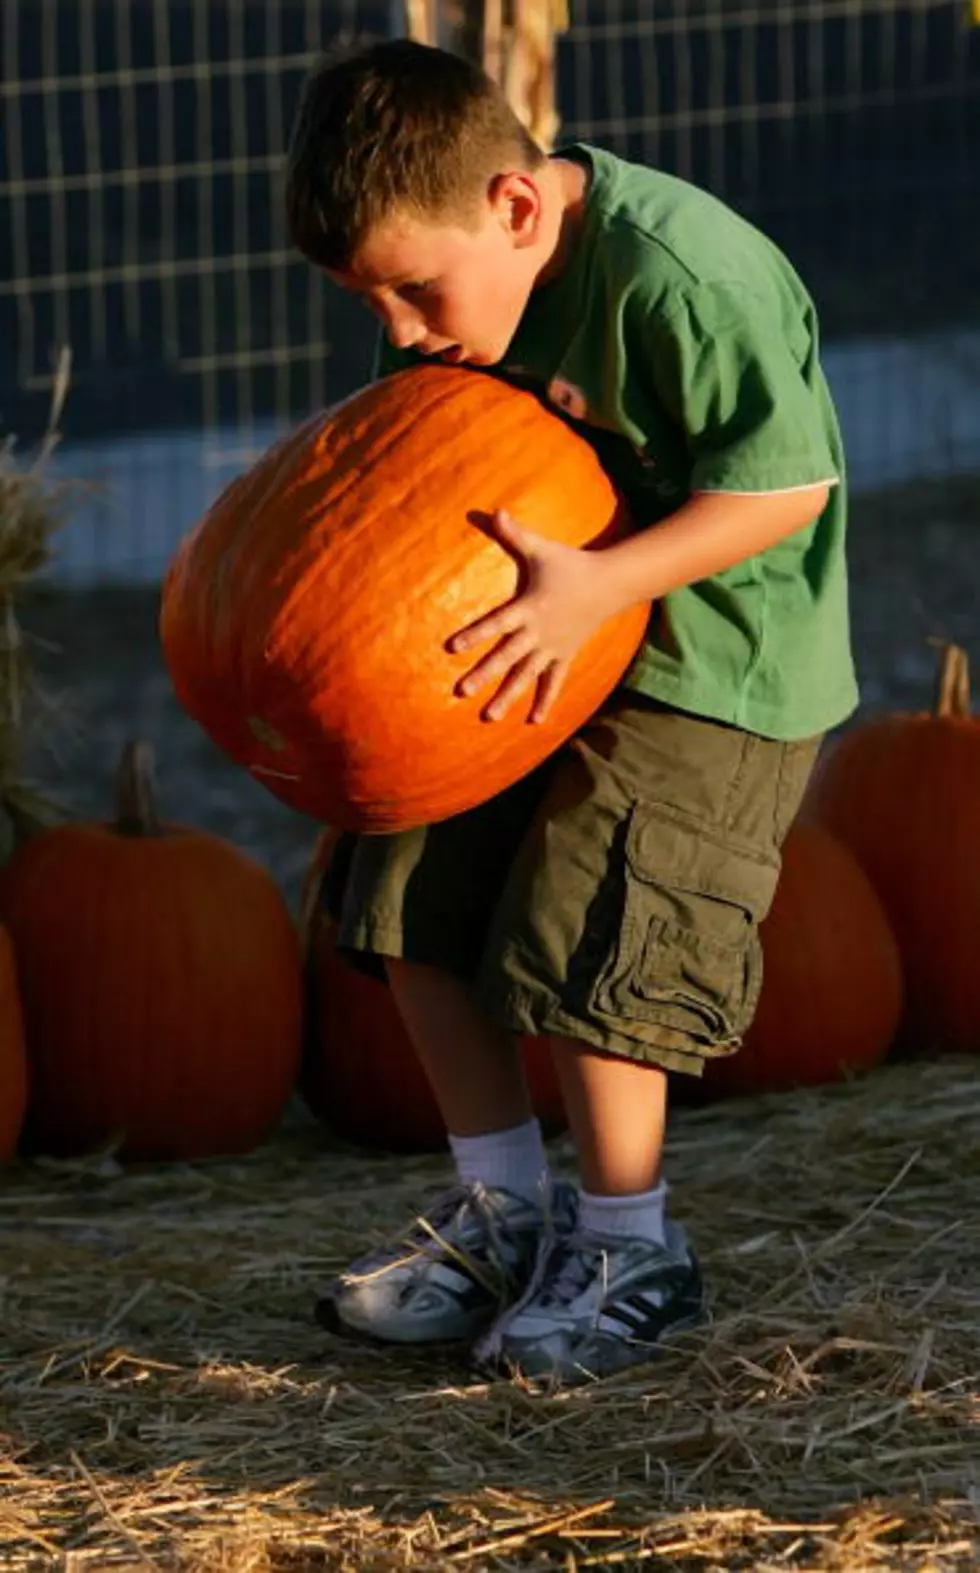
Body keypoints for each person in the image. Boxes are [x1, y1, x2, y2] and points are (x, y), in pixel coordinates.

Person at [284, 37, 857, 1387]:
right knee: (405, 882)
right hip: (534, 637)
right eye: (369, 301)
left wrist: (599, 585)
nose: (404, 332)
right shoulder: (474, 290)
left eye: (414, 289)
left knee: (604, 935)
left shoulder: (684, 278)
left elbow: (787, 489)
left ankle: (627, 1245)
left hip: (709, 659)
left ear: (520, 209)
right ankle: (501, 1215)